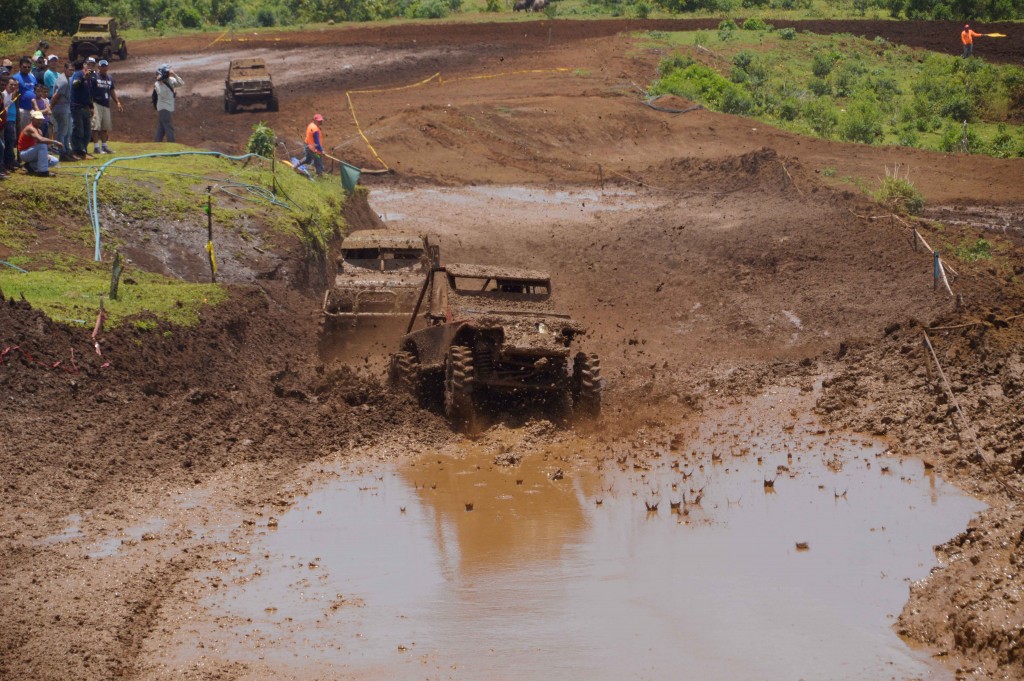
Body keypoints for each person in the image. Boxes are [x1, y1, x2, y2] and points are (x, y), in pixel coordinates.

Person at [18, 109, 62, 176]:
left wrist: (45, 155)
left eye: (41, 119)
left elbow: (38, 143)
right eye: (37, 119)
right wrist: (55, 142)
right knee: (42, 146)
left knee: (54, 160)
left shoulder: (39, 130)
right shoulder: (30, 128)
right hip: (24, 153)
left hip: (32, 152)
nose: (40, 121)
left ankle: (30, 166)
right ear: (32, 119)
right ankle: (43, 171)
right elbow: (40, 140)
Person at [90, 59, 122, 154]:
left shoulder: (110, 78)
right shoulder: (94, 77)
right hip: (96, 103)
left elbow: (112, 91)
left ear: (107, 67)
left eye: (105, 66)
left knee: (105, 126)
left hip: (106, 104)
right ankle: (96, 147)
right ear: (98, 67)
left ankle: (104, 146)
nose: (104, 68)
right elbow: (90, 90)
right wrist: (90, 104)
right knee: (96, 126)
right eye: (102, 66)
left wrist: (117, 102)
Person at [69, 60, 93, 159]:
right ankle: (77, 151)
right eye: (88, 64)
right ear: (84, 65)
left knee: (87, 130)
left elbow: (88, 92)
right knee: (78, 130)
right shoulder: (78, 74)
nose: (90, 66)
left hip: (85, 106)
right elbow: (75, 84)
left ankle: (83, 150)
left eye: (92, 65)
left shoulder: (88, 77)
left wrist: (91, 106)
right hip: (77, 106)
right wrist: (84, 78)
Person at [153, 64, 183, 143]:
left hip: (168, 107)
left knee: (161, 128)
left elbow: (181, 83)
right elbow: (162, 94)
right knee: (169, 127)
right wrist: (161, 82)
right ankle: (172, 145)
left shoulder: (171, 80)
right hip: (164, 108)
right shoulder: (157, 84)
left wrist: (175, 74)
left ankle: (156, 144)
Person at [49, 62, 73, 161]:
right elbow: (56, 96)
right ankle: (62, 153)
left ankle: (66, 150)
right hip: (61, 108)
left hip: (65, 107)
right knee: (62, 131)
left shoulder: (66, 79)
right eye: (70, 70)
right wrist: (50, 108)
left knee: (67, 131)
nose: (71, 72)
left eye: (72, 70)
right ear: (65, 69)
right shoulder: (64, 82)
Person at [13, 57, 38, 132]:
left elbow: (36, 89)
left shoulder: (32, 77)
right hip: (22, 109)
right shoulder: (15, 78)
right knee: (23, 131)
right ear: (20, 66)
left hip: (32, 109)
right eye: (24, 67)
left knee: (33, 130)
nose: (27, 68)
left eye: (29, 67)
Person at [3, 77, 18, 171]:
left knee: (10, 142)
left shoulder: (10, 95)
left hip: (8, 121)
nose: (13, 87)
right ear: (6, 85)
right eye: (11, 85)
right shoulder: (4, 95)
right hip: (4, 122)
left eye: (14, 85)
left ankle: (9, 163)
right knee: (7, 142)